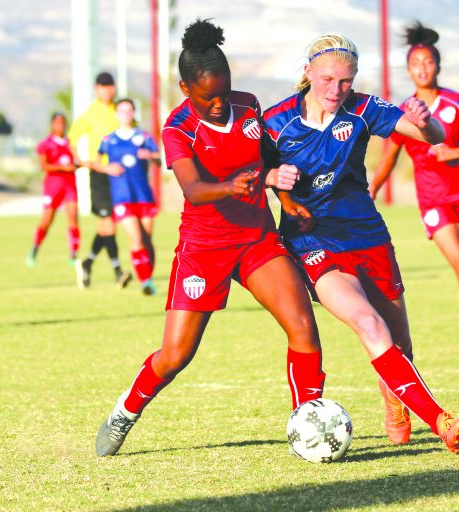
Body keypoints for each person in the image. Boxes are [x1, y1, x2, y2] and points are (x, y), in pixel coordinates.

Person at [95, 19, 326, 457]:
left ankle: (308, 426)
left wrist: (286, 198)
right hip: (204, 249)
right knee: (176, 355)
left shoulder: (249, 105)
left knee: (302, 327)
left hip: (256, 241)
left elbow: (270, 161)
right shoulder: (178, 127)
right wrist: (233, 185)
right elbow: (193, 189)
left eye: (224, 92)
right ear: (186, 89)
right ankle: (125, 411)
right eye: (207, 97)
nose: (219, 104)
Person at [263, 32, 459, 453]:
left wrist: (425, 118)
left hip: (368, 235)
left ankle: (395, 400)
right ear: (307, 73)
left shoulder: (362, 108)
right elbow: (252, 173)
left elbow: (432, 136)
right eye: (325, 79)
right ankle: (442, 421)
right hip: (313, 241)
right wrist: (273, 180)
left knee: (401, 343)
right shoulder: (274, 123)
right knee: (368, 323)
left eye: (345, 81)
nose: (335, 90)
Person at [369, 21, 459, 362]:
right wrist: (371, 188)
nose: (422, 68)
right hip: (434, 201)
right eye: (415, 64)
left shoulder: (457, 103)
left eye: (428, 62)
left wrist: (455, 152)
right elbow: (389, 158)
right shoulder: (404, 112)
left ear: (437, 66)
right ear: (408, 70)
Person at [91, 98, 161, 295]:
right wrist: (106, 168)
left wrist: (151, 157)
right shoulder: (108, 140)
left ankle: (148, 278)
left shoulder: (143, 137)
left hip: (143, 195)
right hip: (122, 196)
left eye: (129, 110)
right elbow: (95, 162)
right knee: (136, 239)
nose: (126, 114)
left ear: (133, 113)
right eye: (122, 111)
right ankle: (145, 281)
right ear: (116, 114)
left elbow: (158, 159)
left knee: (147, 240)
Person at [68, 72, 131, 289]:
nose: (108, 90)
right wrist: (84, 162)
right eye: (103, 86)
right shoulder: (90, 113)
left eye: (110, 86)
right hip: (101, 175)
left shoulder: (120, 110)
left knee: (108, 224)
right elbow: (72, 139)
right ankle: (118, 271)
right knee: (108, 224)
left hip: (121, 175)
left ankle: (87, 262)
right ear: (97, 89)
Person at [26, 112, 80, 267]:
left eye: (63, 123)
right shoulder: (46, 144)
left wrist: (78, 165)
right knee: (47, 220)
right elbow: (43, 166)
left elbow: (78, 160)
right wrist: (62, 167)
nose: (60, 126)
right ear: (52, 125)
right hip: (53, 185)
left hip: (70, 184)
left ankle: (74, 254)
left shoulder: (70, 143)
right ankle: (35, 248)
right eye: (57, 123)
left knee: (73, 216)